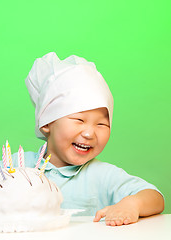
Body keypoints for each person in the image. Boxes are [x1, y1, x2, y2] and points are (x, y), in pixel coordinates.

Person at [15, 52, 164, 226]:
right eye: (79, 120)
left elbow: (155, 197)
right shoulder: (15, 168)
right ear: (46, 122)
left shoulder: (102, 175)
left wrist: (132, 204)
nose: (89, 133)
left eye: (102, 124)